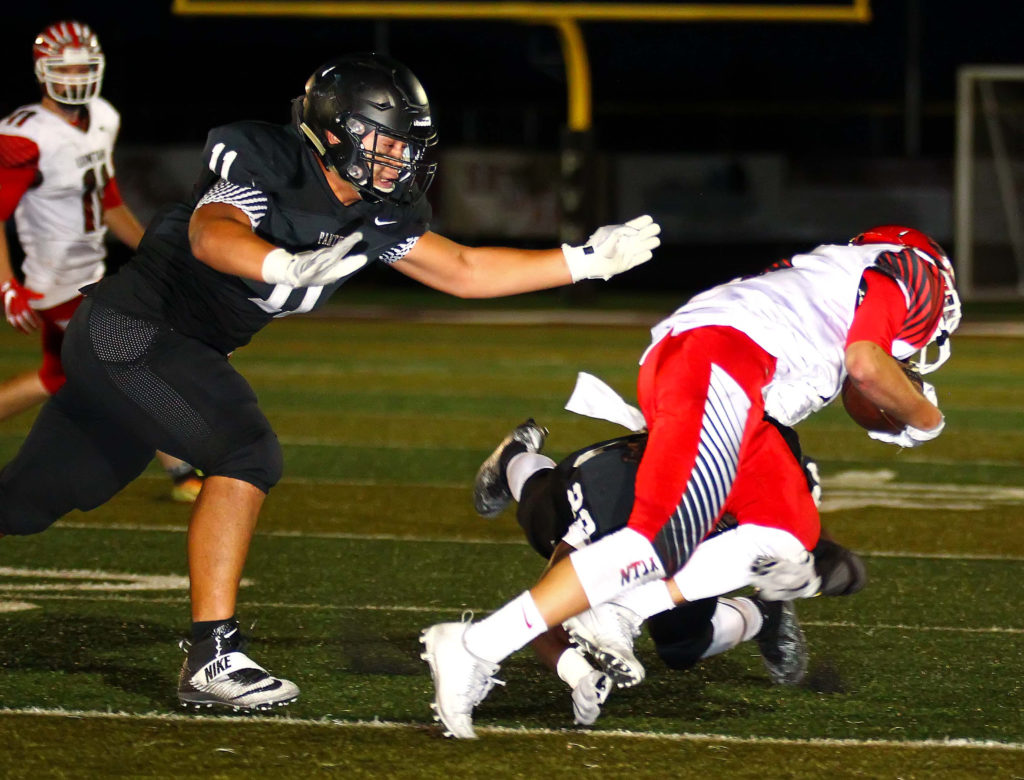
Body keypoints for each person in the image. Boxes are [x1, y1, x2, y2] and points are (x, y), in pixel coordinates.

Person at [0, 52, 661, 712]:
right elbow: (211, 233)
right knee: (245, 450)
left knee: (27, 504)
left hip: (157, 353)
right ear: (335, 130)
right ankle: (212, 657)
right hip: (133, 332)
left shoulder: (374, 212)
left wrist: (585, 261)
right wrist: (281, 262)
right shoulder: (268, 157)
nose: (400, 160)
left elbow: (461, 268)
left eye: (407, 146)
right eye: (387, 142)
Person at [421, 225, 961, 738]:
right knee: (658, 540)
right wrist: (926, 421)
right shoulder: (916, 274)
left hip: (734, 378)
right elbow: (866, 365)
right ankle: (476, 645)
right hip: (719, 359)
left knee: (788, 537)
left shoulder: (831, 286)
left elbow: (859, 379)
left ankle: (629, 607)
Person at [470, 408, 865, 726]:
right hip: (598, 486)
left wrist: (824, 570)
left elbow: (829, 555)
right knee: (540, 504)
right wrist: (577, 672)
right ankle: (514, 457)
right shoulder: (607, 514)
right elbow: (541, 616)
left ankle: (764, 615)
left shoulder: (751, 484)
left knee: (681, 646)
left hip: (674, 502)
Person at [0, 20, 202, 503]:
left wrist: (150, 246)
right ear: (42, 71)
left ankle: (181, 470)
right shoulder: (26, 135)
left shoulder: (104, 117)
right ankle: (181, 472)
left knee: (59, 376)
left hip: (91, 276)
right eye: (64, 67)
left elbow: (108, 198)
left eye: (83, 67)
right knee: (130, 362)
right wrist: (7, 285)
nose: (74, 77)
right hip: (55, 282)